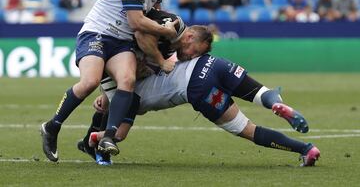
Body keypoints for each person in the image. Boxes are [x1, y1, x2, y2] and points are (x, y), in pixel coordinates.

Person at [40, 0, 183, 162]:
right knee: (89, 82)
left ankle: (107, 138)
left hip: (121, 41)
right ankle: (52, 126)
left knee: (128, 79)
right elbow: (136, 21)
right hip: (96, 34)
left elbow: (150, 15)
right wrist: (166, 31)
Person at [79, 54, 320, 167]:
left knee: (248, 129)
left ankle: (304, 149)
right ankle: (276, 102)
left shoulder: (128, 98)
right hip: (210, 62)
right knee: (260, 92)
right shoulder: (132, 72)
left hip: (197, 87)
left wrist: (99, 137)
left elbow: (119, 134)